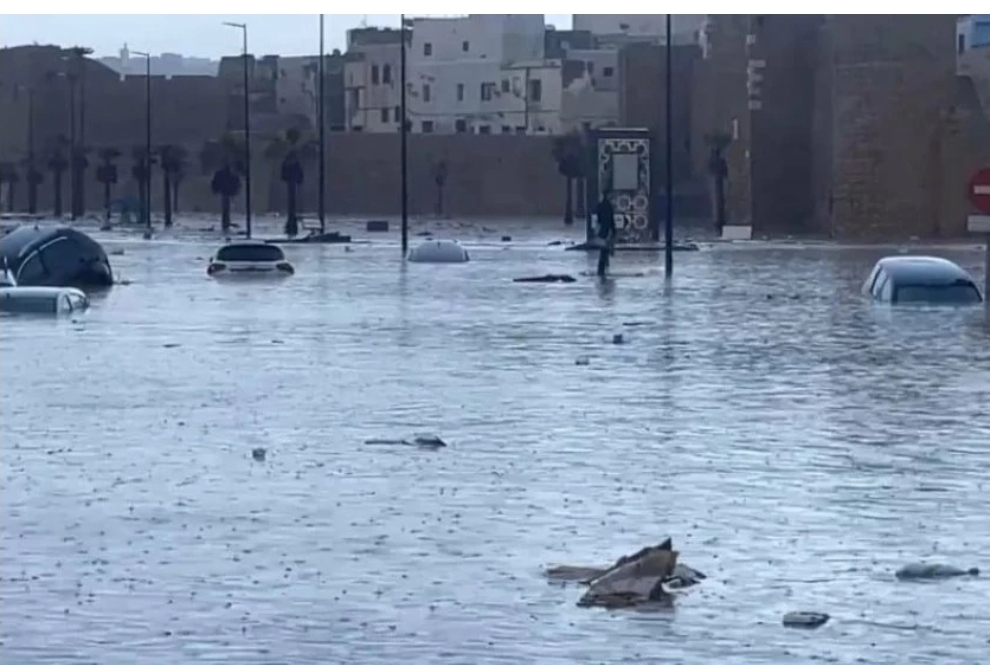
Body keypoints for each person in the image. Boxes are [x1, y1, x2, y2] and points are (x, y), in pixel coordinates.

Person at [595, 190, 616, 277]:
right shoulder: (608, 206)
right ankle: (602, 269)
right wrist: (613, 230)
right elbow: (610, 219)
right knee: (605, 250)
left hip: (603, 229)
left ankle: (602, 268)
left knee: (604, 249)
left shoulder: (600, 205)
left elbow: (598, 219)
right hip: (607, 229)